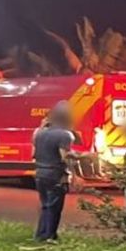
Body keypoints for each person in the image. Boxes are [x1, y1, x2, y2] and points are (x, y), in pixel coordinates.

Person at [32, 101, 77, 242]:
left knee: (45, 205)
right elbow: (65, 157)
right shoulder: (65, 135)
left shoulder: (40, 133)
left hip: (40, 173)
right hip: (55, 174)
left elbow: (34, 153)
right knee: (54, 207)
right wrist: (79, 158)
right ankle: (50, 236)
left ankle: (40, 234)